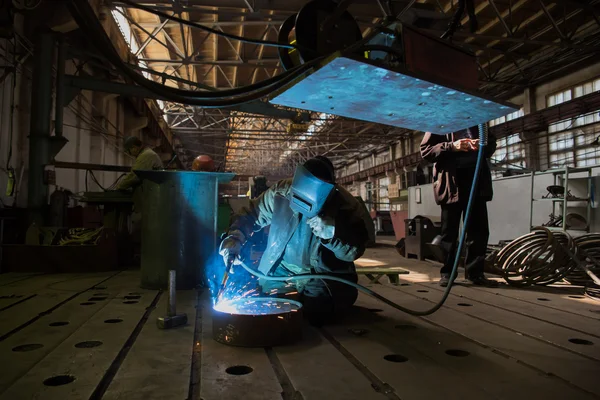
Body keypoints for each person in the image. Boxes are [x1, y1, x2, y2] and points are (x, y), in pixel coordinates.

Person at [219, 156, 369, 325]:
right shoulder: (281, 192)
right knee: (266, 304)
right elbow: (252, 213)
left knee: (316, 311)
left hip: (323, 275)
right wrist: (235, 236)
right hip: (281, 270)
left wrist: (332, 234)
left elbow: (353, 252)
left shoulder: (346, 205)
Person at [420, 125, 499, 288]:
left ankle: (475, 273)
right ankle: (447, 273)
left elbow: (491, 144)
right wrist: (452, 146)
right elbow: (426, 151)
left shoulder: (480, 123)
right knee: (449, 233)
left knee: (479, 231)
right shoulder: (441, 123)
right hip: (452, 183)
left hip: (477, 180)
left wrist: (482, 145)